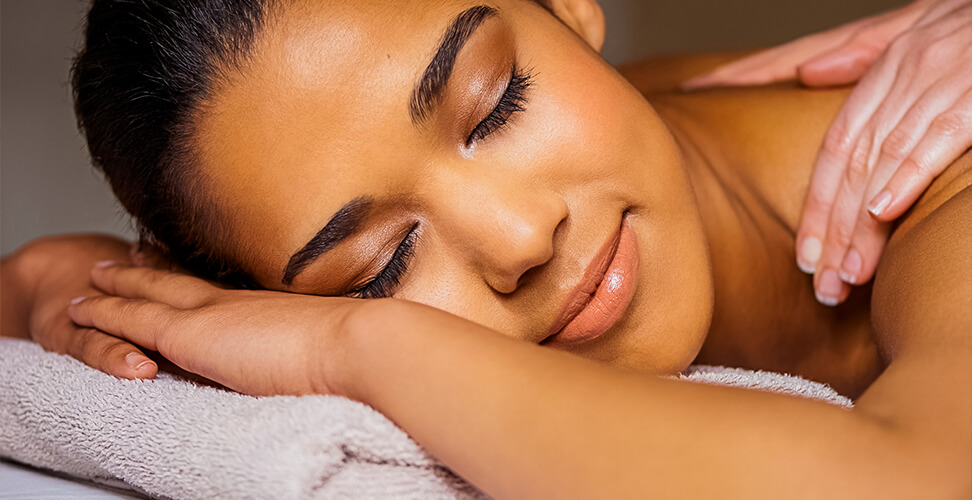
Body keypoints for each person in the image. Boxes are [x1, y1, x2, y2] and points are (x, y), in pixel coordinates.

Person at [1, 0, 969, 497]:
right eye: (380, 265)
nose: (520, 237)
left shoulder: (945, 182)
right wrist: (57, 275)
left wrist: (359, 344)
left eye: (497, 104)